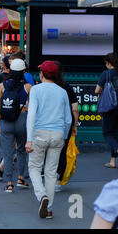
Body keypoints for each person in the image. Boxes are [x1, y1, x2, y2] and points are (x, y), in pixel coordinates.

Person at [26, 60, 72, 219]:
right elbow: (68, 119)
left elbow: (31, 115)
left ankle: (42, 196)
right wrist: (64, 136)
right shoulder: (62, 92)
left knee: (34, 168)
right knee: (51, 172)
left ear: (42, 74)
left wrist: (29, 139)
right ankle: (49, 209)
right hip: (58, 134)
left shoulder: (36, 90)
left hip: (39, 133)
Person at [0, 59, 32, 192]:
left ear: (10, 70)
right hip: (22, 120)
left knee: (7, 153)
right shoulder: (28, 87)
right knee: (21, 150)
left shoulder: (2, 85)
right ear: (23, 72)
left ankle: (9, 183)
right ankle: (21, 178)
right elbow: (32, 108)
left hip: (6, 121)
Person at [95, 52, 118, 169]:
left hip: (109, 108)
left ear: (108, 63)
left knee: (107, 133)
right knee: (115, 134)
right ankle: (113, 161)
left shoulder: (106, 74)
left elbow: (96, 90)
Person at [53, 61, 79, 192]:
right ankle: (58, 181)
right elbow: (75, 109)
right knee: (62, 152)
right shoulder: (67, 88)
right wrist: (74, 125)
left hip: (48, 124)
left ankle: (48, 178)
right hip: (64, 125)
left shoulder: (43, 87)